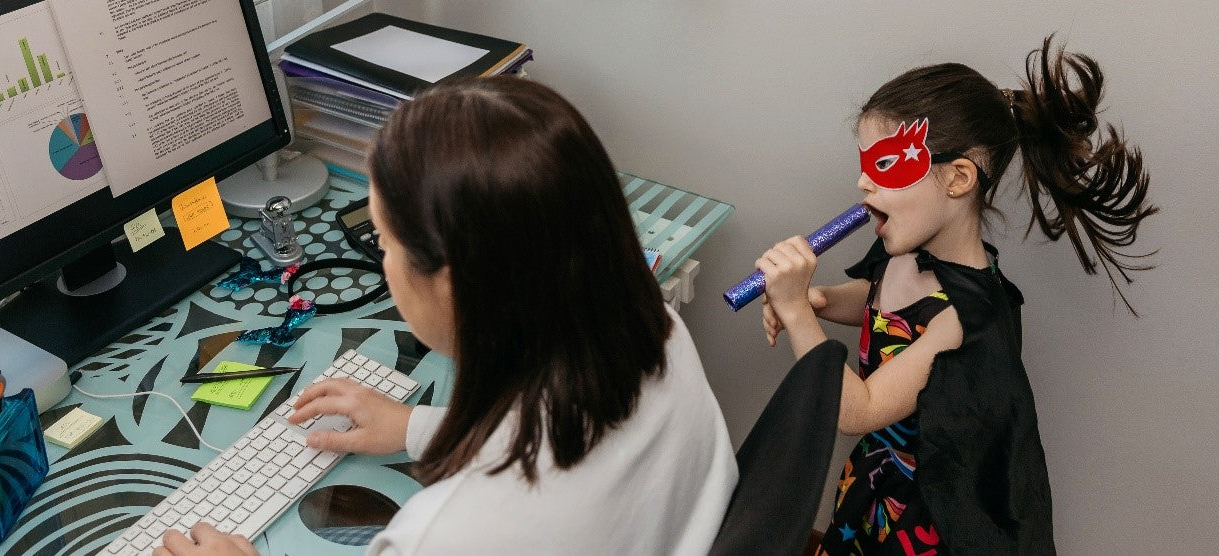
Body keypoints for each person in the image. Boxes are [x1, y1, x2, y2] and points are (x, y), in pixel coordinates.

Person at [154, 76, 737, 556]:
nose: (382, 265)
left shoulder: (450, 537)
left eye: (383, 242)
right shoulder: (654, 330)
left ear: (455, 284)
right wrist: (418, 429)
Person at [756, 36, 1157, 555]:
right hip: (874, 483)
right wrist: (820, 300)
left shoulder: (969, 318)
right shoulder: (902, 253)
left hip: (922, 515)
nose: (861, 182)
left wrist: (793, 311)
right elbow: (883, 305)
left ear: (958, 178)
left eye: (885, 166)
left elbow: (858, 409)